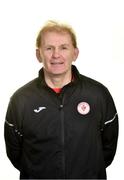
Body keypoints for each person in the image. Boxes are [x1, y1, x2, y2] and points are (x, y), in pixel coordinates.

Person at [4, 20, 118, 179]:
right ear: (39, 54)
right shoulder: (21, 99)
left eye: (64, 47)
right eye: (49, 48)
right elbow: (15, 153)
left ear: (75, 53)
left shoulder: (98, 94)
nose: (56, 54)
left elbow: (108, 148)